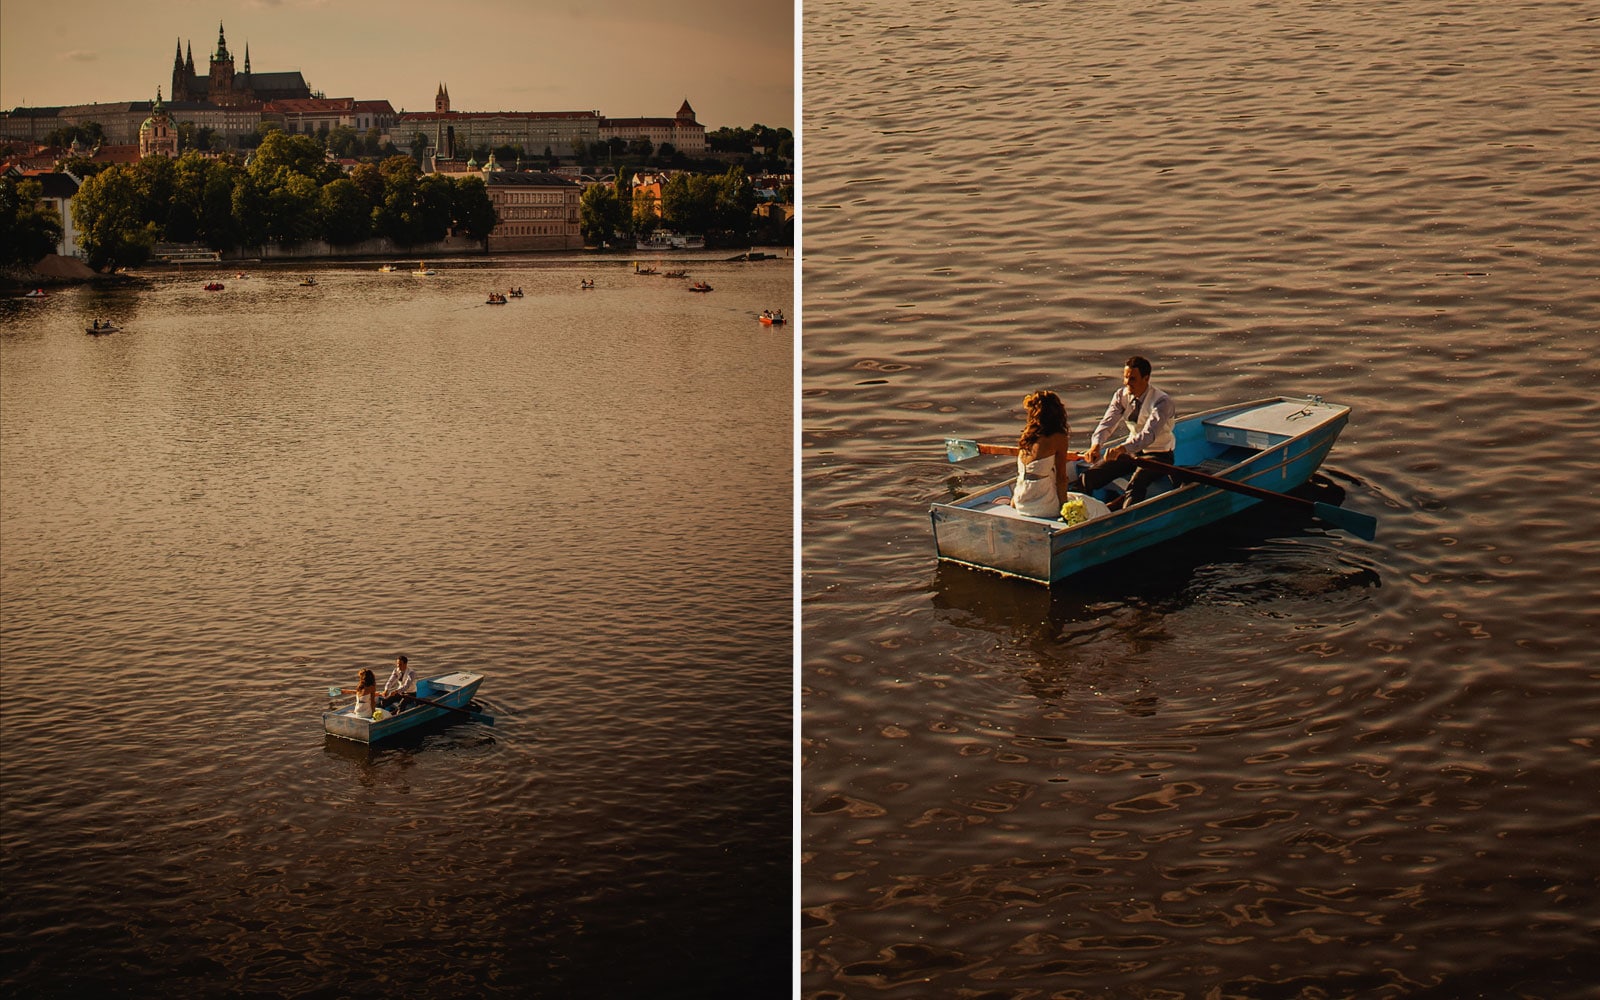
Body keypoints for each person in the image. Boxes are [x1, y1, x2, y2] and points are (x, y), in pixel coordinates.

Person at [1069, 355, 1176, 510]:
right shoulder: (1121, 395)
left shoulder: (1162, 402)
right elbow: (1107, 423)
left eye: (1132, 379)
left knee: (1137, 482)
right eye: (1125, 378)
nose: (1127, 383)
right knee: (1090, 476)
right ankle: (1078, 511)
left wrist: (1122, 448)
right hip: (1132, 452)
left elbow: (1148, 435)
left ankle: (1123, 516)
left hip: (1158, 454)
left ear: (1146, 378)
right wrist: (1096, 445)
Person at [1003, 389, 1075, 517]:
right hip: (1043, 504)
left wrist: (1014, 501)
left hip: (1021, 500)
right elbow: (1061, 478)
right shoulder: (1059, 438)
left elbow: (1022, 475)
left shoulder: (1027, 435)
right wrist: (1064, 510)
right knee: (1092, 505)